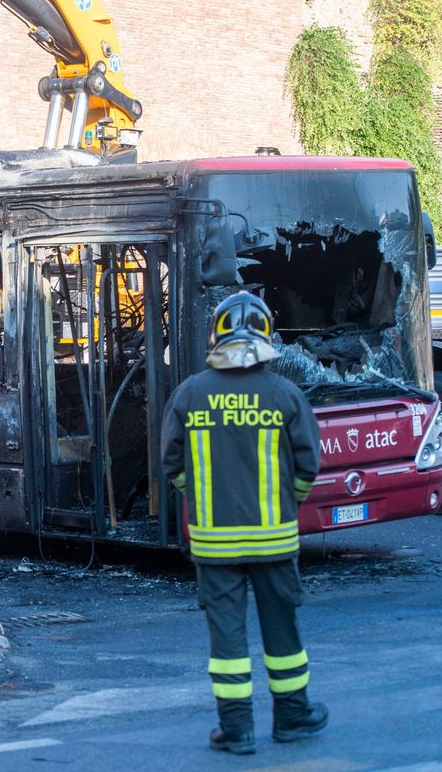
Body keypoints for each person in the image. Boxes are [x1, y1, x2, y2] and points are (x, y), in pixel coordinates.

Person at [161, 290, 328, 755]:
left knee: (227, 636)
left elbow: (171, 465)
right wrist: (286, 507)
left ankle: (236, 730)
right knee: (283, 634)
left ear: (216, 334)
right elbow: (308, 465)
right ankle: (293, 717)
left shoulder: (191, 393)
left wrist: (198, 499)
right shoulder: (284, 393)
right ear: (267, 334)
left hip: (215, 545)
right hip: (275, 541)